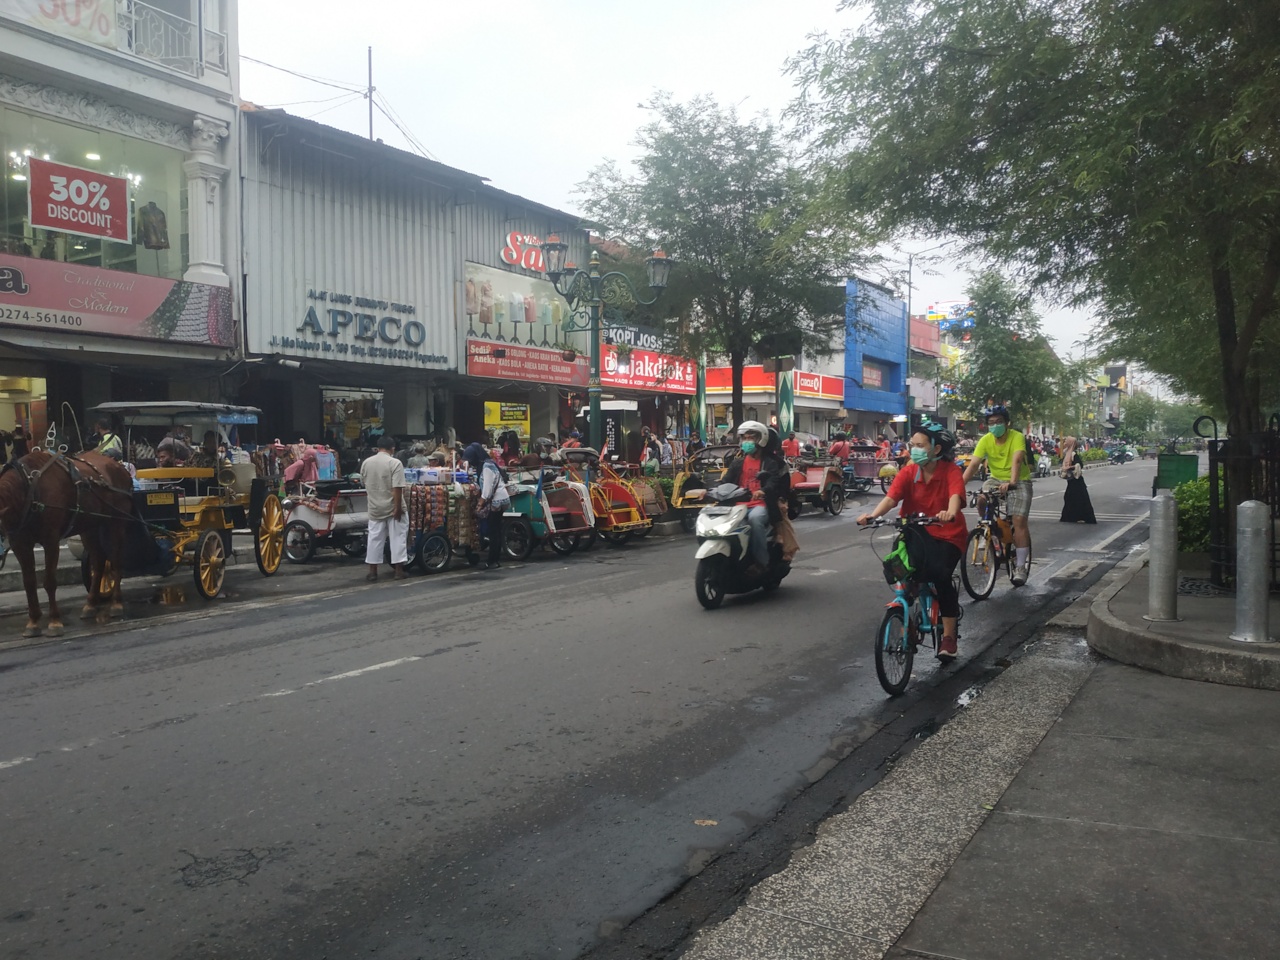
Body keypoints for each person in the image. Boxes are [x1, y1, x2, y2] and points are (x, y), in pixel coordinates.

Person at [857, 422, 967, 661]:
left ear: (936, 449)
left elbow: (956, 496)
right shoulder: (908, 472)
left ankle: (948, 637)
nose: (914, 449)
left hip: (948, 534)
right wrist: (873, 516)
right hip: (916, 530)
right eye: (912, 445)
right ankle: (908, 596)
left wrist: (949, 512)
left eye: (920, 445)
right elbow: (891, 498)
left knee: (940, 575)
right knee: (898, 565)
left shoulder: (950, 471)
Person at [961, 404, 1033, 585]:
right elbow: (974, 464)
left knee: (1018, 521)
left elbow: (1017, 460)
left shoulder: (1017, 437)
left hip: (1019, 481)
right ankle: (989, 532)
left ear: (1007, 423)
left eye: (998, 422)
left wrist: (1012, 482)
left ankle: (1021, 566)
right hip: (995, 479)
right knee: (981, 499)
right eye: (991, 423)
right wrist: (959, 486)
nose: (995, 426)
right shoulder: (985, 440)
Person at [720, 420, 791, 577]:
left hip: (760, 504)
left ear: (761, 439)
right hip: (738, 505)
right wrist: (710, 491)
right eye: (744, 438)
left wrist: (763, 490)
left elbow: (773, 481)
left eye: (751, 438)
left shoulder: (770, 463)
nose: (747, 442)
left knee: (755, 520)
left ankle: (761, 562)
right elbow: (726, 481)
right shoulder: (737, 462)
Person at [360, 433, 408, 582]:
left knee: (374, 539)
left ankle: (373, 572)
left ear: (378, 448)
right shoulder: (395, 463)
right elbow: (397, 488)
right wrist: (398, 508)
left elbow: (363, 482)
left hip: (375, 507)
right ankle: (398, 571)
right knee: (397, 538)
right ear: (392, 449)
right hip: (393, 506)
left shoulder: (366, 463)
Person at [464, 441, 509, 570]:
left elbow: (488, 489)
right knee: (496, 531)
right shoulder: (487, 464)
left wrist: (480, 503)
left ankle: (493, 560)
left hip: (496, 501)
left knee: (493, 531)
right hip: (499, 499)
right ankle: (495, 559)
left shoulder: (487, 467)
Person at [1058, 436, 1097, 524]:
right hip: (1071, 480)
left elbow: (1080, 465)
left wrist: (1069, 467)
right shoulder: (1067, 452)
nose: (1064, 443)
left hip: (1076, 481)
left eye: (1066, 441)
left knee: (1077, 498)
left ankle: (1077, 516)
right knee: (1070, 498)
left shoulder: (1073, 454)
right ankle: (1071, 516)